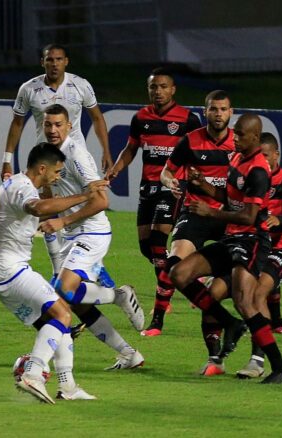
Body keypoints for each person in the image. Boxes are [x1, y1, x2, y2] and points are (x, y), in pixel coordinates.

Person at [170, 114, 282, 384]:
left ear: (255, 138)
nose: (233, 137)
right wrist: (202, 185)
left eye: (239, 134)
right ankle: (228, 322)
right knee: (179, 274)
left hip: (252, 240)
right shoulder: (237, 159)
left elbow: (249, 216)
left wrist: (210, 212)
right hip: (233, 237)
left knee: (245, 301)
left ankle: (279, 366)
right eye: (234, 133)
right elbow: (231, 198)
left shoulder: (259, 171)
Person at [0, 142, 108, 403]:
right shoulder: (22, 187)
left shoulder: (15, 184)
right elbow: (37, 208)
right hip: (10, 268)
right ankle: (32, 374)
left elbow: (37, 211)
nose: (57, 177)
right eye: (55, 172)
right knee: (62, 313)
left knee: (55, 324)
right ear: (42, 168)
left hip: (2, 268)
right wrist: (86, 196)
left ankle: (68, 386)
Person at [41, 104, 146, 370]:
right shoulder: (48, 152)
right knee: (73, 303)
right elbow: (49, 192)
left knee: (63, 290)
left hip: (92, 231)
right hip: (70, 234)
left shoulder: (76, 156)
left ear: (69, 126)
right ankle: (128, 354)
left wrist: (63, 219)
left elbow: (101, 200)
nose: (52, 130)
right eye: (48, 124)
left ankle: (119, 296)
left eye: (58, 125)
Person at [1, 43, 114, 286]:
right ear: (43, 62)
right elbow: (17, 123)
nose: (54, 63)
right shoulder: (29, 89)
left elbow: (97, 117)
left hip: (74, 159)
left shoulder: (80, 85)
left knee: (85, 205)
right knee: (49, 209)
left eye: (58, 59)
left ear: (66, 61)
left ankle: (95, 263)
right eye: (49, 59)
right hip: (44, 160)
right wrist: (7, 159)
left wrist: (106, 150)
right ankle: (57, 269)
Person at [144, 90, 244, 360]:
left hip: (227, 216)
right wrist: (171, 182)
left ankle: (244, 334)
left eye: (223, 109)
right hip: (196, 212)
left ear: (231, 112)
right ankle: (158, 320)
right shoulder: (190, 140)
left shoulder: (239, 143)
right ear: (205, 112)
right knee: (174, 262)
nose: (218, 114)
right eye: (213, 109)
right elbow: (167, 171)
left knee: (244, 273)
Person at [105, 67, 202, 335]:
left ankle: (164, 303)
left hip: (171, 187)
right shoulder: (141, 118)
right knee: (147, 247)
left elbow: (201, 152)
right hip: (147, 186)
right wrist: (116, 168)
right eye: (153, 87)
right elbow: (132, 148)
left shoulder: (188, 119)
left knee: (159, 241)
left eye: (162, 86)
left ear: (173, 90)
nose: (157, 91)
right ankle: (190, 272)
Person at [235, 132, 282, 379]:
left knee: (257, 295)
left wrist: (280, 219)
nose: (263, 162)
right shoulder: (251, 176)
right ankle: (215, 357)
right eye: (260, 157)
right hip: (251, 245)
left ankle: (257, 360)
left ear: (276, 155)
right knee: (228, 294)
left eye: (267, 156)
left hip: (277, 251)